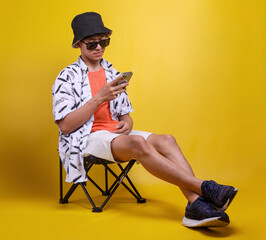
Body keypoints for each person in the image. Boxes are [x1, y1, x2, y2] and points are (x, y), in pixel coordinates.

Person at [52, 12, 237, 228]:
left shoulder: (112, 72)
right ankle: (205, 188)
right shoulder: (67, 77)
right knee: (138, 143)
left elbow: (125, 116)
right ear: (78, 45)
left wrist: (127, 123)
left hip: (115, 135)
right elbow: (65, 126)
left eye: (104, 41)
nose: (99, 47)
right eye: (92, 44)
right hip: (86, 138)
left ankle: (195, 204)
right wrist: (99, 98)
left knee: (167, 140)